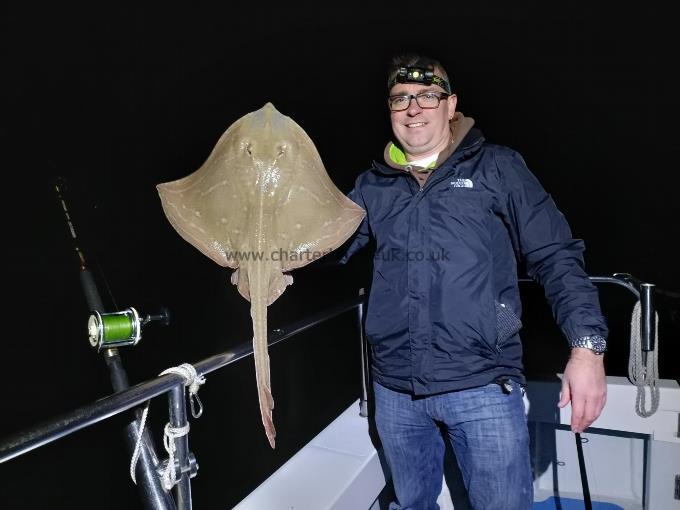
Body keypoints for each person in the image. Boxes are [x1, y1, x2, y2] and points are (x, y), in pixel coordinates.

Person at [337, 53, 609, 509]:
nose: (413, 108)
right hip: (394, 388)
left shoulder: (496, 168)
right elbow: (330, 250)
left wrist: (587, 346)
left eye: (427, 95)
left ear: (450, 104)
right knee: (413, 503)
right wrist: (266, 250)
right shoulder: (372, 184)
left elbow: (555, 255)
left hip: (483, 383)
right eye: (400, 98)